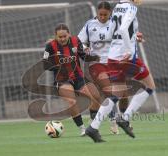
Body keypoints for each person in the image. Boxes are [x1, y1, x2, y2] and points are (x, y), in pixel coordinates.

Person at [85, 0, 156, 142]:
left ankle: (93, 127)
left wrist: (134, 37)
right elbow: (123, 29)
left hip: (113, 56)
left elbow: (113, 32)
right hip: (126, 57)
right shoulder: (130, 7)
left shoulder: (117, 7)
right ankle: (125, 118)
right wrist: (130, 49)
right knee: (150, 86)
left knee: (116, 94)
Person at [78, 1, 129, 135]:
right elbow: (79, 42)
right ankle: (113, 121)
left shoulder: (116, 24)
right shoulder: (90, 25)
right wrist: (84, 48)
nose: (102, 17)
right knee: (109, 91)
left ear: (110, 13)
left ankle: (99, 124)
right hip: (96, 63)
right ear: (97, 12)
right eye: (100, 14)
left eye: (105, 15)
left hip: (114, 62)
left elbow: (126, 38)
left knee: (119, 96)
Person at [43, 23, 101, 136]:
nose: (63, 39)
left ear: (69, 34)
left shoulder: (76, 41)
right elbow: (45, 65)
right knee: (71, 101)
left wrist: (94, 57)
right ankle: (82, 129)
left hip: (78, 77)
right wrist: (56, 65)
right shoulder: (50, 46)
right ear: (55, 36)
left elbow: (83, 56)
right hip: (62, 79)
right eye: (60, 37)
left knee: (96, 96)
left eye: (65, 36)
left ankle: (92, 125)